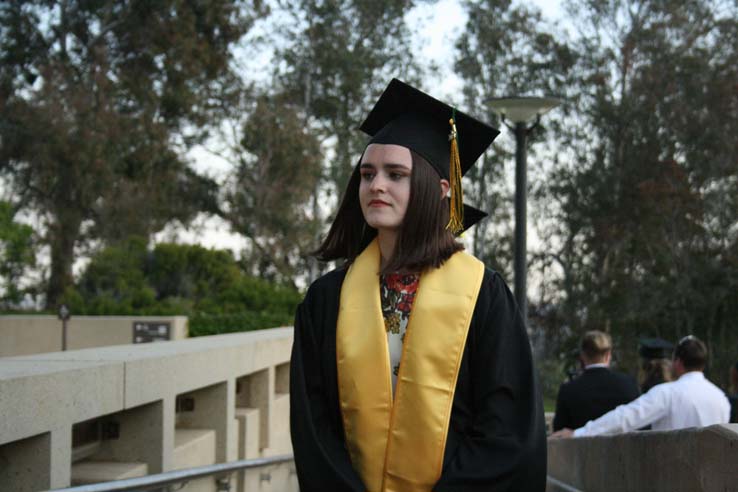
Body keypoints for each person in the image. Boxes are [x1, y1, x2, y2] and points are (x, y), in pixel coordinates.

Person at [289, 79, 546, 492]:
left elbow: (506, 427)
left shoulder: (483, 295)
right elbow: (313, 426)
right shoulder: (326, 301)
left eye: (396, 174)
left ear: (442, 189)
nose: (376, 186)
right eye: (367, 174)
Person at [550, 335, 731, 438]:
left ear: (678, 362)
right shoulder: (721, 399)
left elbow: (625, 418)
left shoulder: (667, 393)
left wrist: (579, 433)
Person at [552, 330, 640, 431]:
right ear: (608, 355)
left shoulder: (568, 389)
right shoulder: (628, 384)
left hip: (581, 446)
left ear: (583, 355)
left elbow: (559, 430)